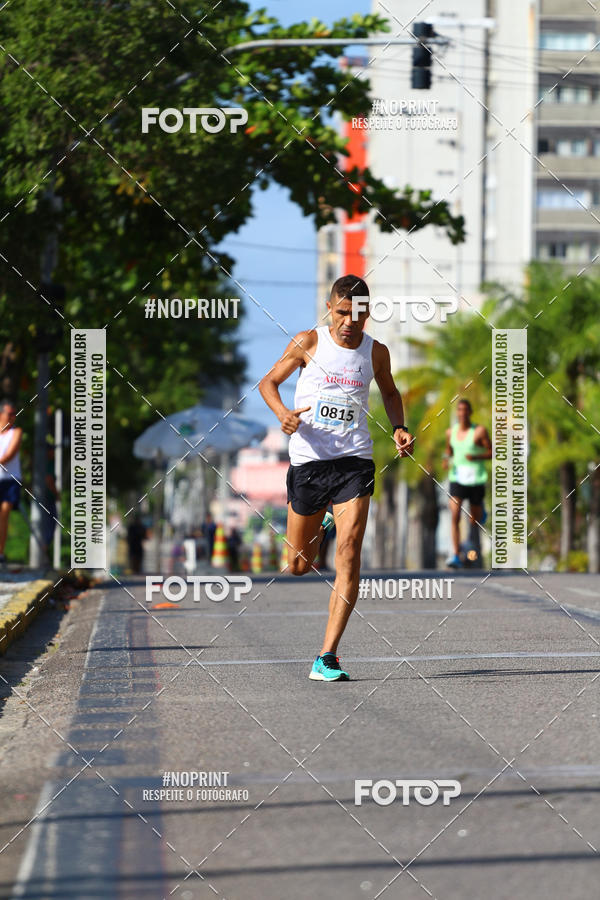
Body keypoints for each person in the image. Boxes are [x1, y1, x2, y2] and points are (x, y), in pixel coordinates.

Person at [259, 274, 414, 682]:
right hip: (309, 463)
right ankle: (320, 527)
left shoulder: (376, 352)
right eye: (343, 312)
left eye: (358, 314)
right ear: (330, 309)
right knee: (297, 564)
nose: (350, 321)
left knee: (349, 552)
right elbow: (268, 383)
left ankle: (327, 656)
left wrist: (399, 427)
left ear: (367, 314)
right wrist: (283, 415)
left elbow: (391, 392)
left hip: (354, 461)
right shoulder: (308, 342)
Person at [443, 398, 492, 569]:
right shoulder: (451, 432)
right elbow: (448, 450)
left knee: (474, 519)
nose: (462, 413)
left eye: (465, 409)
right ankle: (456, 555)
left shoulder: (479, 432)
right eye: (460, 409)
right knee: (455, 513)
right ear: (457, 413)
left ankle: (479, 513)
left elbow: (491, 452)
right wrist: (445, 459)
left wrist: (477, 457)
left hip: (476, 478)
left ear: (470, 412)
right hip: (457, 478)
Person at [0, 400, 22, 567]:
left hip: (11, 480)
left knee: (4, 513)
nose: (13, 417)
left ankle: (0, 552)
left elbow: (9, 455)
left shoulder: (16, 432)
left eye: (15, 414)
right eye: (10, 413)